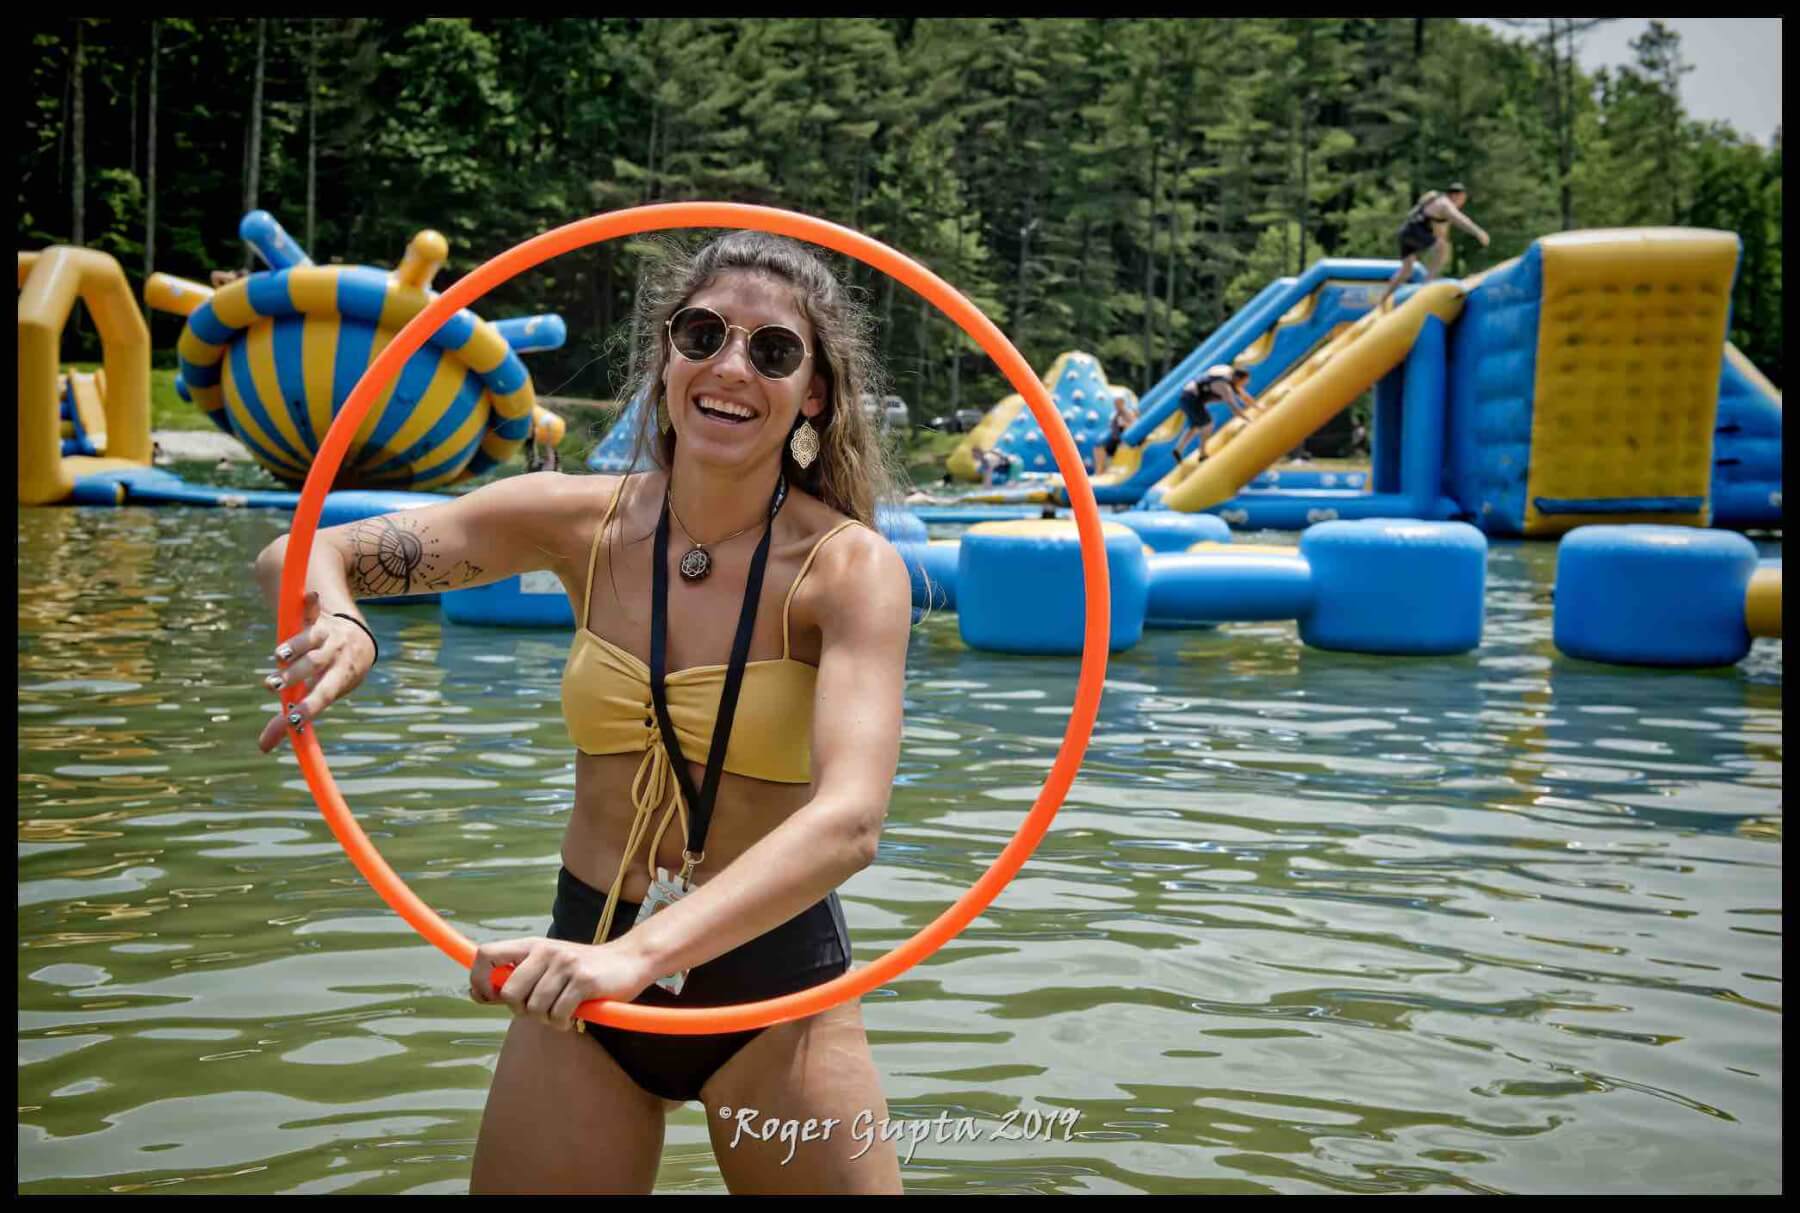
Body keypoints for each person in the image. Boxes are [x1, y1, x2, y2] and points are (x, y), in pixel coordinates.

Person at [251, 232, 914, 1195]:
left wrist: (637, 958)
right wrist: (346, 619)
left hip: (775, 986)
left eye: (773, 351)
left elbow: (850, 822)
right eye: (703, 334)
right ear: (665, 355)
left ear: (813, 394)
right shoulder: (576, 521)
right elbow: (301, 550)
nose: (731, 366)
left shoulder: (849, 570)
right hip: (584, 961)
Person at [1377, 182, 1490, 309]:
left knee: (1406, 270)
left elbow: (1441, 233)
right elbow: (1460, 220)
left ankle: (1383, 299)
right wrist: (1478, 232)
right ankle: (1427, 283)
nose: (1462, 203)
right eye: (1462, 199)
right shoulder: (1445, 204)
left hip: (1405, 232)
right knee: (1443, 248)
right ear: (1455, 196)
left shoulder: (1437, 202)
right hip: (1414, 231)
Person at [1173, 365, 1255, 460]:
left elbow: (1245, 396)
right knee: (1208, 425)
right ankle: (1202, 454)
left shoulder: (1229, 376)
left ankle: (1178, 449)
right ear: (1237, 379)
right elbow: (1234, 408)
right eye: (1243, 382)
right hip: (1190, 398)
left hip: (1185, 397)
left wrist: (1259, 408)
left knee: (1195, 426)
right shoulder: (1224, 386)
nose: (1244, 384)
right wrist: (1249, 420)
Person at [1091, 389, 1139, 474]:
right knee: (1098, 447)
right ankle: (1099, 470)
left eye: (1119, 402)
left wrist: (1123, 412)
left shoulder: (1129, 412)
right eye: (1116, 403)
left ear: (1123, 402)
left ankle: (1101, 470)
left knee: (1125, 434)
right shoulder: (1115, 415)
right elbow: (1113, 428)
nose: (1117, 404)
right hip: (1116, 440)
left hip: (1128, 439)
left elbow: (1133, 423)